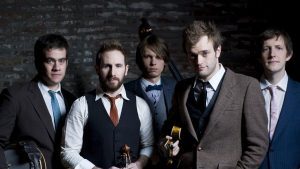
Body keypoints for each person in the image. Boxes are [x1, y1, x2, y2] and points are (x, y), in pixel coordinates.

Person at [160, 20, 269, 169]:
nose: (198, 61)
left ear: (218, 51)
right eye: (192, 55)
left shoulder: (247, 86)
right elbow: (169, 131)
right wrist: (168, 145)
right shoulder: (182, 88)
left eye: (205, 53)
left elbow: (258, 146)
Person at [61, 40, 154, 169]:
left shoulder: (141, 105)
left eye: (118, 66)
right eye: (107, 66)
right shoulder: (81, 105)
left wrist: (139, 164)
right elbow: (68, 153)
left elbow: (148, 145)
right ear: (97, 69)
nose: (112, 73)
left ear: (126, 69)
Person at [0, 33, 76, 169]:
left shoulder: (73, 101)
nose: (57, 67)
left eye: (61, 61)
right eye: (50, 61)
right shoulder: (15, 97)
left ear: (67, 62)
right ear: (38, 62)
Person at [124, 34, 176, 168]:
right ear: (140, 60)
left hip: (170, 160)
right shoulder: (125, 91)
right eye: (148, 57)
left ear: (165, 60)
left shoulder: (177, 87)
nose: (153, 62)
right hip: (137, 160)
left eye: (158, 57)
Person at [257, 29, 300, 169]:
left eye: (279, 48)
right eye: (266, 49)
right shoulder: (247, 92)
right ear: (260, 56)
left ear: (289, 54)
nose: (272, 54)